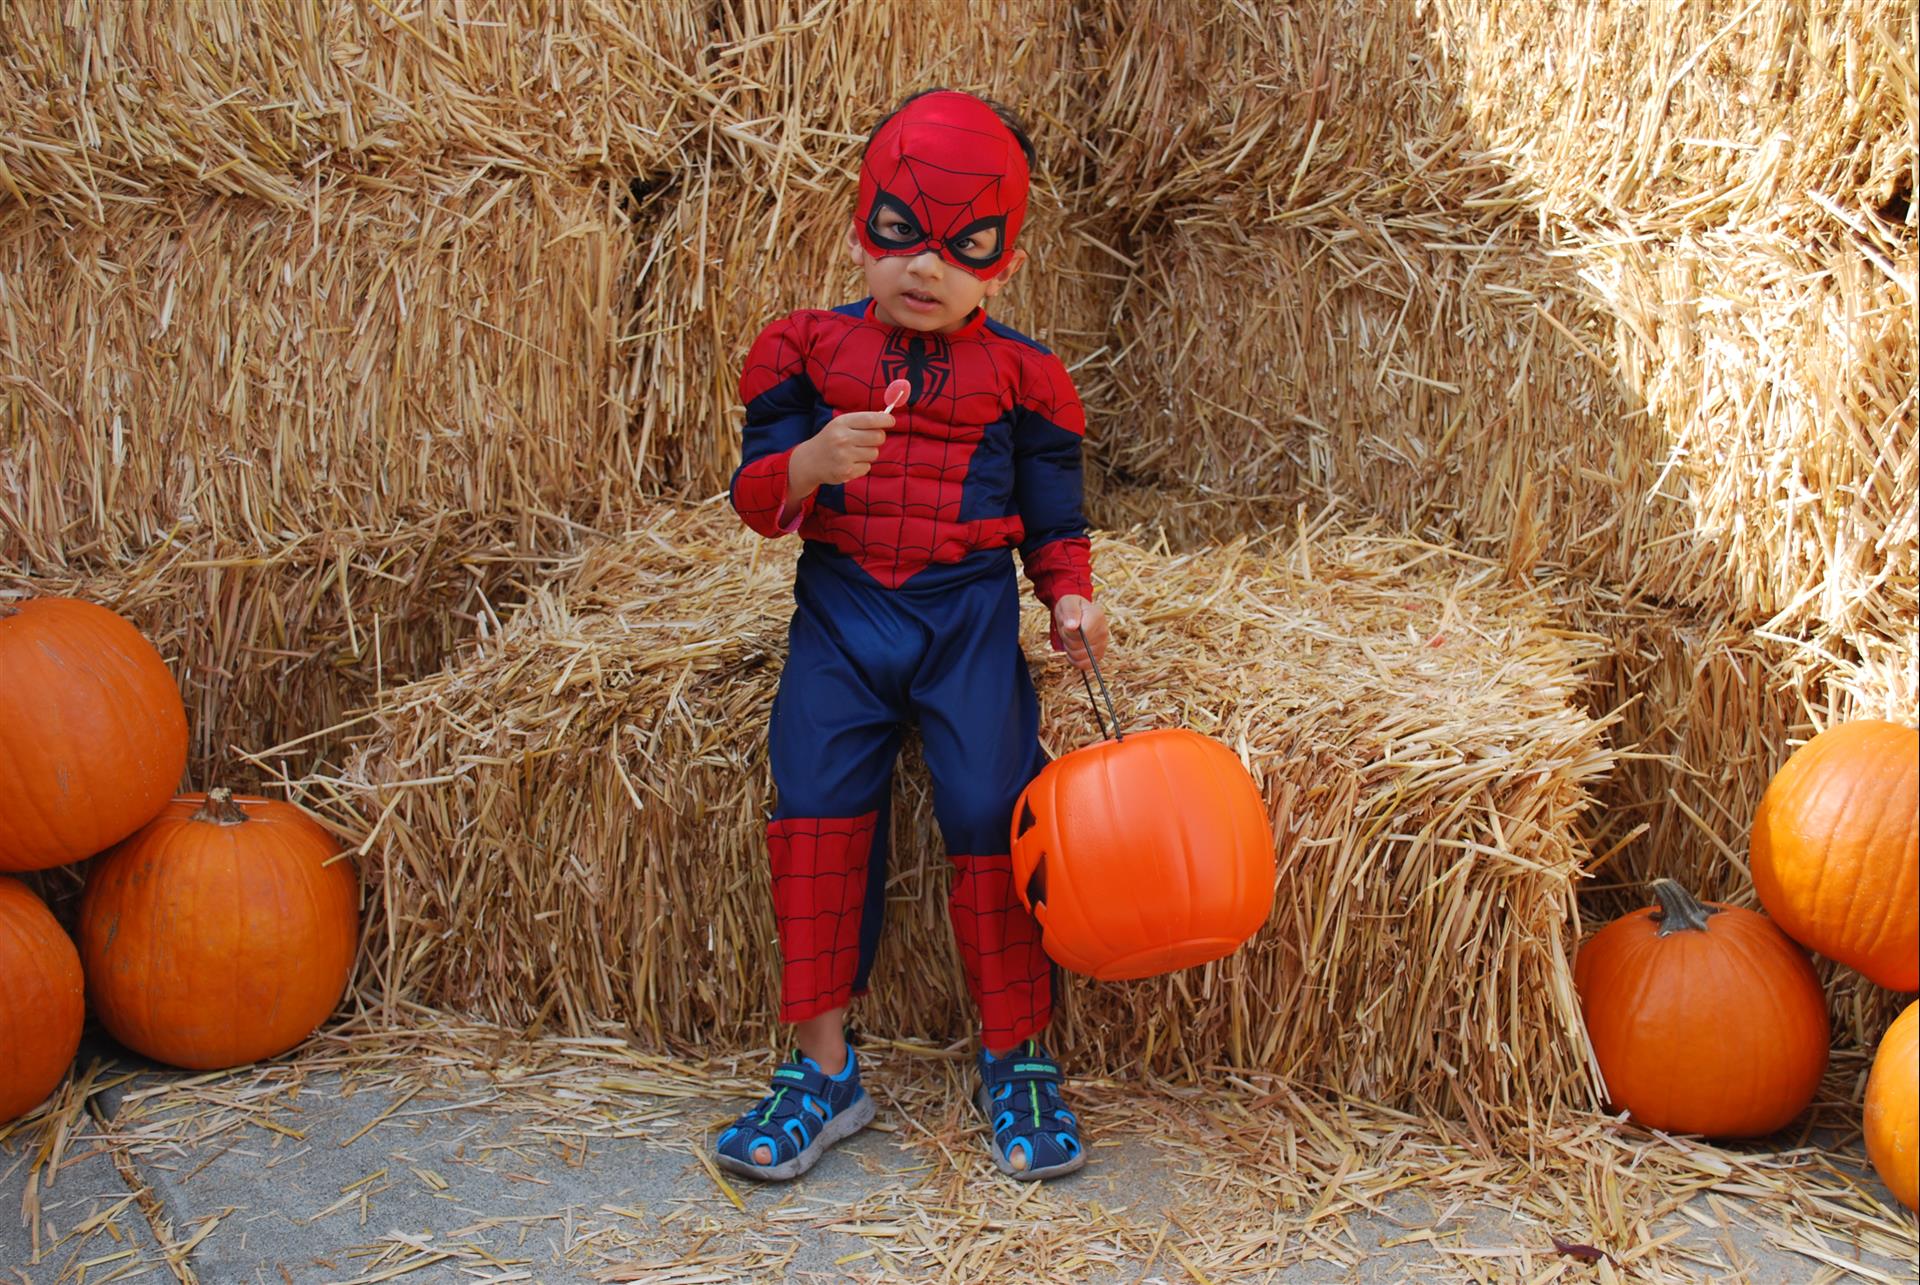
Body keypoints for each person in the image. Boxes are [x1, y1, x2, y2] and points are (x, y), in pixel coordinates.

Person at [714, 88, 1110, 1183]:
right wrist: (806, 466)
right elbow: (753, 497)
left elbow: (1056, 517)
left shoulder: (1030, 380)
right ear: (860, 230)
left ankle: (1016, 1058)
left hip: (967, 617)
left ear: (1003, 263)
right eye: (901, 234)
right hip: (843, 612)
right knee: (815, 808)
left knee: (995, 810)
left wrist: (1067, 595)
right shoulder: (800, 350)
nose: (924, 267)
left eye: (962, 246)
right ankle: (824, 1072)